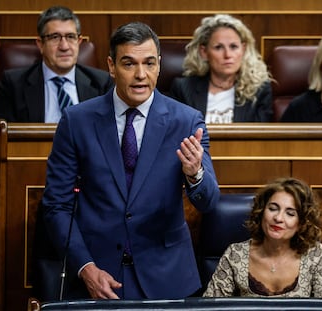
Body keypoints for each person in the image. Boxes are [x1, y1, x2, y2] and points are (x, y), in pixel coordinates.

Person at [39, 21, 220, 300]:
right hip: (97, 274)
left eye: (149, 63)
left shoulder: (187, 120)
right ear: (111, 66)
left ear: (159, 65)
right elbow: (56, 205)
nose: (140, 75)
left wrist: (194, 173)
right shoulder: (77, 121)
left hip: (166, 276)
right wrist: (85, 267)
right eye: (128, 64)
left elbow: (208, 202)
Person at [0, 5, 113, 164]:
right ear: (40, 44)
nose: (64, 46)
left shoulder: (101, 83)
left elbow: (113, 136)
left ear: (79, 41)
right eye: (55, 37)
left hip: (89, 170)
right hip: (34, 168)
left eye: (70, 37)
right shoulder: (14, 83)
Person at [203, 177, 322, 298]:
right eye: (273, 208)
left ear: (301, 223)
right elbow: (210, 307)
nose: (278, 218)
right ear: (261, 212)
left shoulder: (315, 254)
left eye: (290, 213)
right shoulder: (235, 254)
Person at [169, 14, 273, 123]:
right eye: (218, 47)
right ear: (204, 52)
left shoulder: (259, 90)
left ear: (243, 49)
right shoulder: (184, 89)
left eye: (233, 47)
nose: (228, 55)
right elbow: (175, 132)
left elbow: (261, 137)